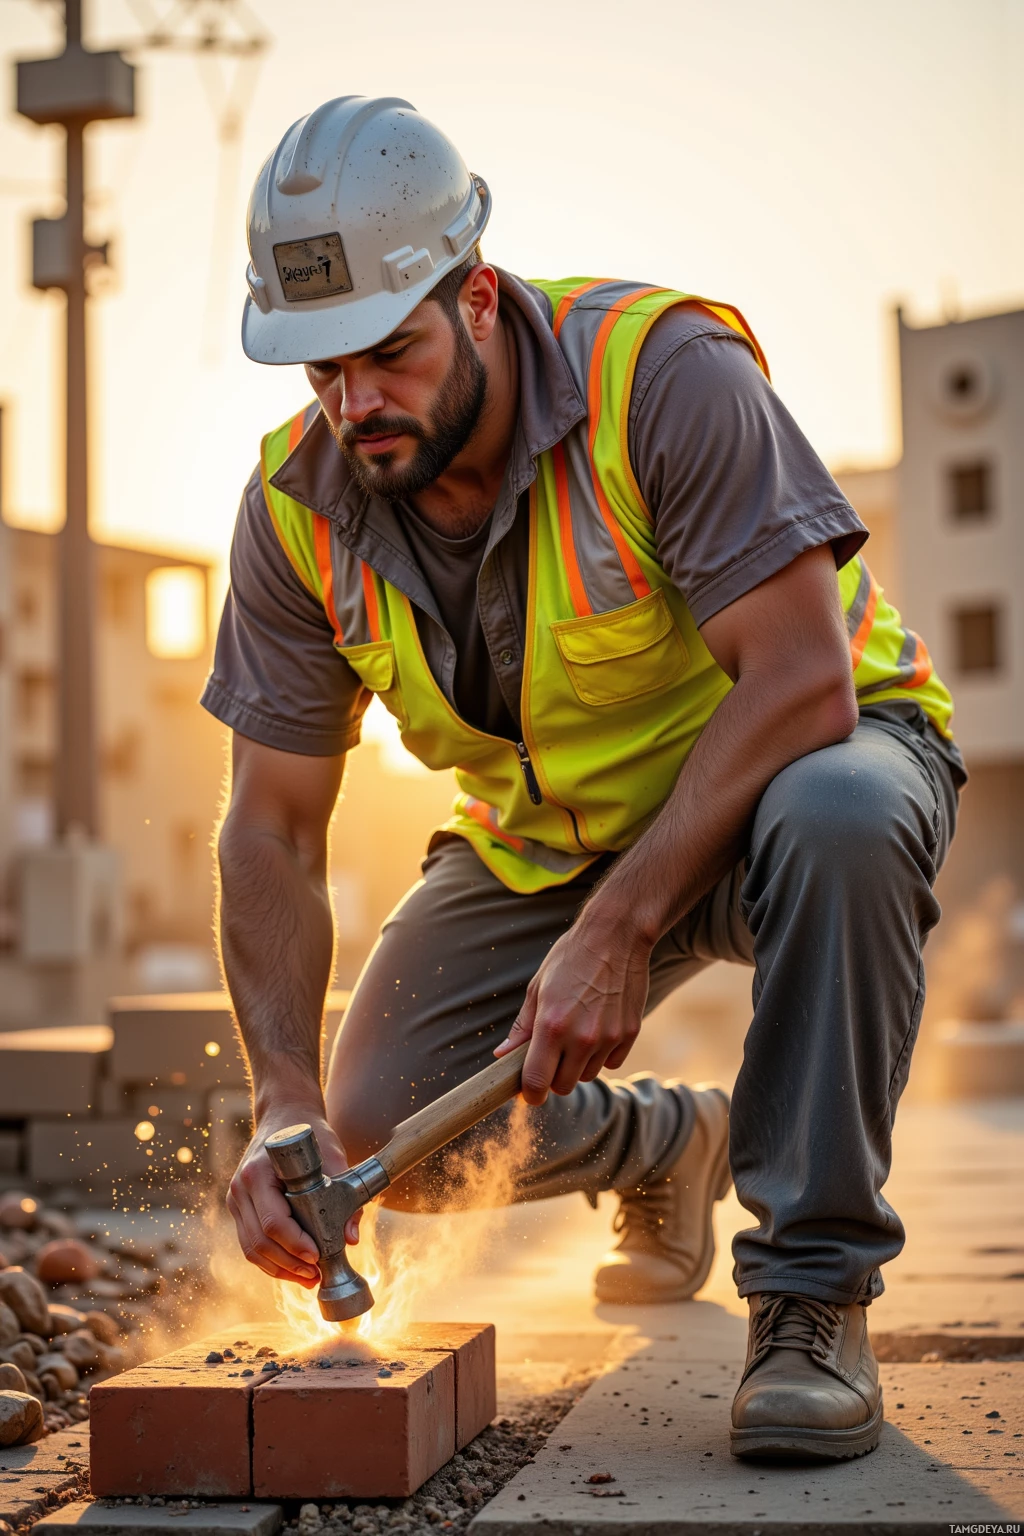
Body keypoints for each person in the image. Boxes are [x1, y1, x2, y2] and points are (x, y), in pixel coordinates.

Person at [203, 95, 964, 1463]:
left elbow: (799, 677)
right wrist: (286, 1106)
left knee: (842, 816)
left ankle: (810, 1294)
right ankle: (664, 1148)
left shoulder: (659, 376)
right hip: (550, 844)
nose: (358, 402)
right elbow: (269, 824)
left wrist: (615, 931)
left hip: (815, 758)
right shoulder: (296, 514)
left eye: (390, 352)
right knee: (382, 1126)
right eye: (322, 370)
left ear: (477, 297)